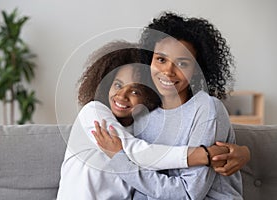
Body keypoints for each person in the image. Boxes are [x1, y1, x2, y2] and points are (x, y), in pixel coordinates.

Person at [92, 12, 248, 199]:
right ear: (149, 60)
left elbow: (188, 193)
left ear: (197, 70)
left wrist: (119, 159)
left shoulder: (206, 109)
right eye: (161, 59)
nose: (168, 71)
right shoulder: (142, 115)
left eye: (182, 63)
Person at [56, 40, 231, 200]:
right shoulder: (93, 112)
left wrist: (241, 153)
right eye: (117, 85)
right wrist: (200, 155)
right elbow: (137, 152)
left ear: (147, 97)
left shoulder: (140, 127)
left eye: (135, 91)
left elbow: (142, 178)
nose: (122, 95)